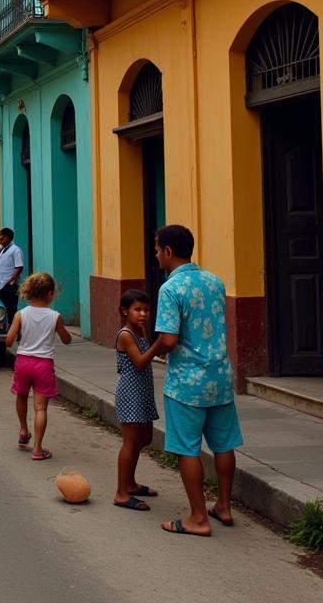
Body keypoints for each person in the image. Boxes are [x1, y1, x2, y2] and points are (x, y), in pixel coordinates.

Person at [151, 224, 241, 537]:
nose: (156, 255)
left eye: (157, 249)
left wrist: (149, 353)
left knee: (187, 449)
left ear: (168, 251)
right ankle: (224, 506)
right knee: (223, 444)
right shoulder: (213, 280)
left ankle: (198, 518)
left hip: (187, 382)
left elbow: (169, 339)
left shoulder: (170, 288)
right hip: (221, 375)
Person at [6, 272, 71, 460]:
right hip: (43, 364)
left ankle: (24, 430)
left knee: (21, 395)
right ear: (50, 294)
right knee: (40, 408)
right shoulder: (55, 316)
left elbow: (9, 341)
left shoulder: (21, 314)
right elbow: (66, 339)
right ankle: (37, 449)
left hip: (23, 361)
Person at [113, 289, 161, 511]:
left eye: (147, 310)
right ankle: (121, 493)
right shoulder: (126, 335)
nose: (143, 314)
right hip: (129, 394)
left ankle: (131, 484)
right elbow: (140, 362)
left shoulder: (140, 331)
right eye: (137, 309)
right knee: (131, 443)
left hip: (142, 393)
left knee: (145, 438)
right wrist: (158, 346)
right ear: (125, 311)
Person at [0, 228, 24, 324]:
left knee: (10, 309)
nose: (0, 238)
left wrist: (11, 281)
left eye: (3, 236)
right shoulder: (1, 250)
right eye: (0, 236)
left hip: (9, 286)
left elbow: (19, 267)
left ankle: (13, 329)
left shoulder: (15, 250)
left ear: (9, 238)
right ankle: (1, 329)